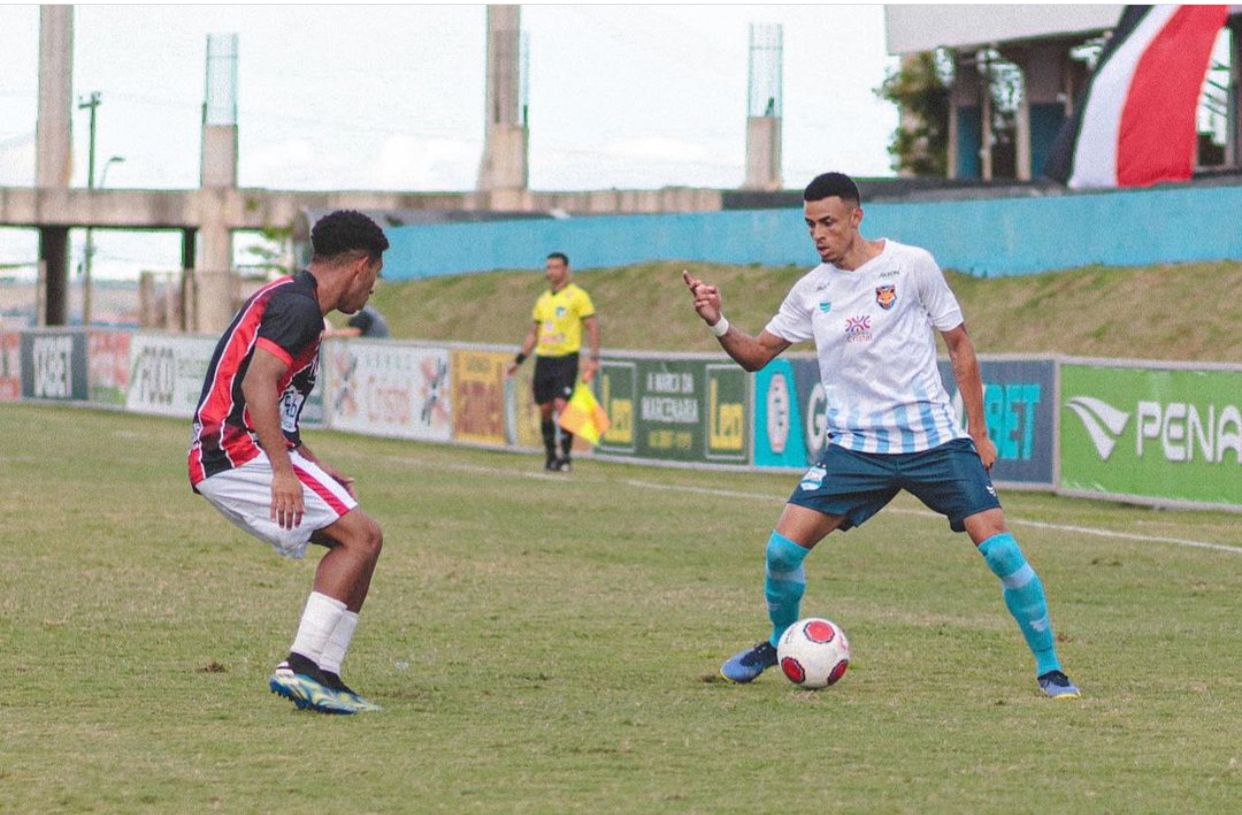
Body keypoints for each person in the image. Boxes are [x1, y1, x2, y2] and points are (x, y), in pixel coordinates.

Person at [683, 172, 1080, 699]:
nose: (818, 234)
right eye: (809, 225)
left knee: (1003, 553)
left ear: (856, 217)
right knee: (781, 553)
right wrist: (717, 322)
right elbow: (755, 356)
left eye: (827, 222)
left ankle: (1050, 667)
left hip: (933, 442)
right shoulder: (812, 290)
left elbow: (959, 345)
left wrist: (978, 433)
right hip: (856, 449)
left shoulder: (911, 265)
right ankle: (780, 644)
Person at [187, 210, 390, 714]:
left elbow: (278, 400)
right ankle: (300, 667)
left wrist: (310, 464)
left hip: (241, 448)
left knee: (366, 540)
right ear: (361, 266)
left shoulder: (296, 301)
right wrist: (283, 472)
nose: (373, 292)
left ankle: (324, 673)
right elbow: (258, 384)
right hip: (233, 450)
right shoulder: (298, 308)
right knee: (359, 536)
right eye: (377, 276)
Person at [506, 251, 601, 471]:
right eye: (549, 267)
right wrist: (519, 359)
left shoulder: (578, 297)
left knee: (563, 406)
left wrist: (594, 357)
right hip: (544, 359)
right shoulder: (543, 300)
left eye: (556, 267)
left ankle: (566, 457)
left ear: (566, 270)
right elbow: (534, 333)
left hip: (566, 358)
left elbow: (592, 326)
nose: (552, 272)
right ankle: (550, 456)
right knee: (546, 409)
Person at [324, 303, 390, 338]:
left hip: (375, 349)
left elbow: (354, 332)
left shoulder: (364, 314)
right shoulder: (370, 311)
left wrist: (331, 334)